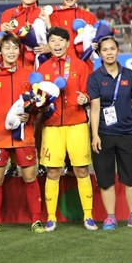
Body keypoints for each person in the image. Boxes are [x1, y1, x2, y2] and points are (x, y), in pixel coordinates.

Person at [88, 35, 132, 230]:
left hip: (127, 133)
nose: (109, 53)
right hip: (104, 134)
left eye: (112, 49)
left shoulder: (129, 75)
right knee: (105, 177)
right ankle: (110, 217)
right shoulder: (95, 77)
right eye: (105, 50)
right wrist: (95, 135)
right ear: (99, 53)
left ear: (118, 50)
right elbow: (95, 109)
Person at [37, 26, 95, 232]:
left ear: (68, 43)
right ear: (49, 44)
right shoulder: (43, 69)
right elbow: (38, 97)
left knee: (81, 170)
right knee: (53, 171)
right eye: (53, 41)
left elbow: (90, 92)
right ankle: (51, 218)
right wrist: (40, 103)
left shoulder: (80, 66)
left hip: (77, 124)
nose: (57, 44)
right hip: (52, 126)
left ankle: (88, 216)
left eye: (61, 41)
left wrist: (85, 98)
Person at [0, 34, 44, 234]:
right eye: (7, 48)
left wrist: (30, 117)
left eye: (14, 48)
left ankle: (36, 220)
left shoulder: (29, 76)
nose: (11, 51)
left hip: (23, 136)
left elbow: (37, 105)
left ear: (19, 51)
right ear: (0, 52)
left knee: (30, 178)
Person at [0, 0, 41, 68]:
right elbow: (0, 44)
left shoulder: (43, 14)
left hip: (37, 67)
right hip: (12, 67)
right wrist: (2, 32)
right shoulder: (8, 14)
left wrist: (48, 47)